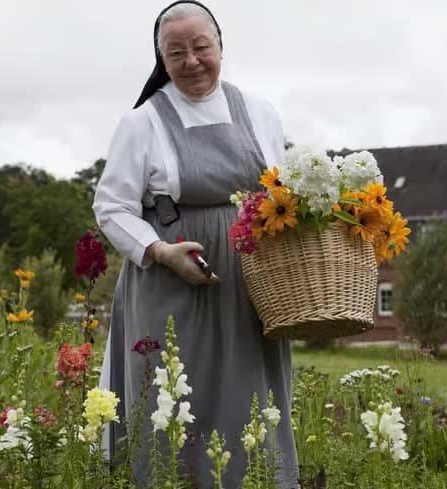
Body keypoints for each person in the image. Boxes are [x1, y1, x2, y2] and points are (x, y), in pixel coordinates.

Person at [94, 2, 298, 487]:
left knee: (252, 398)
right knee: (171, 398)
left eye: (201, 47)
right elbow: (111, 207)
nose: (191, 61)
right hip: (170, 280)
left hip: (250, 284)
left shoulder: (260, 112)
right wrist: (161, 252)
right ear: (162, 60)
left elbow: (284, 193)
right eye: (176, 52)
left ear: (220, 48)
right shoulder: (141, 123)